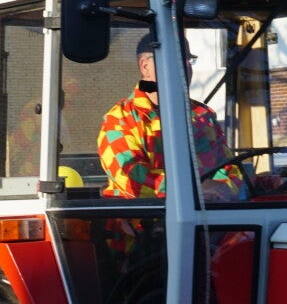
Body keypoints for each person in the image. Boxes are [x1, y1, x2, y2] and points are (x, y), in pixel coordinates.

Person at [97, 32, 245, 201]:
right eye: (177, 58)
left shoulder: (203, 116)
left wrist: (223, 189)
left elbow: (229, 167)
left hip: (210, 213)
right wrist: (196, 190)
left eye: (189, 59)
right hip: (146, 217)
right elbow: (132, 178)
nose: (187, 65)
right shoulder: (120, 120)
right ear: (145, 67)